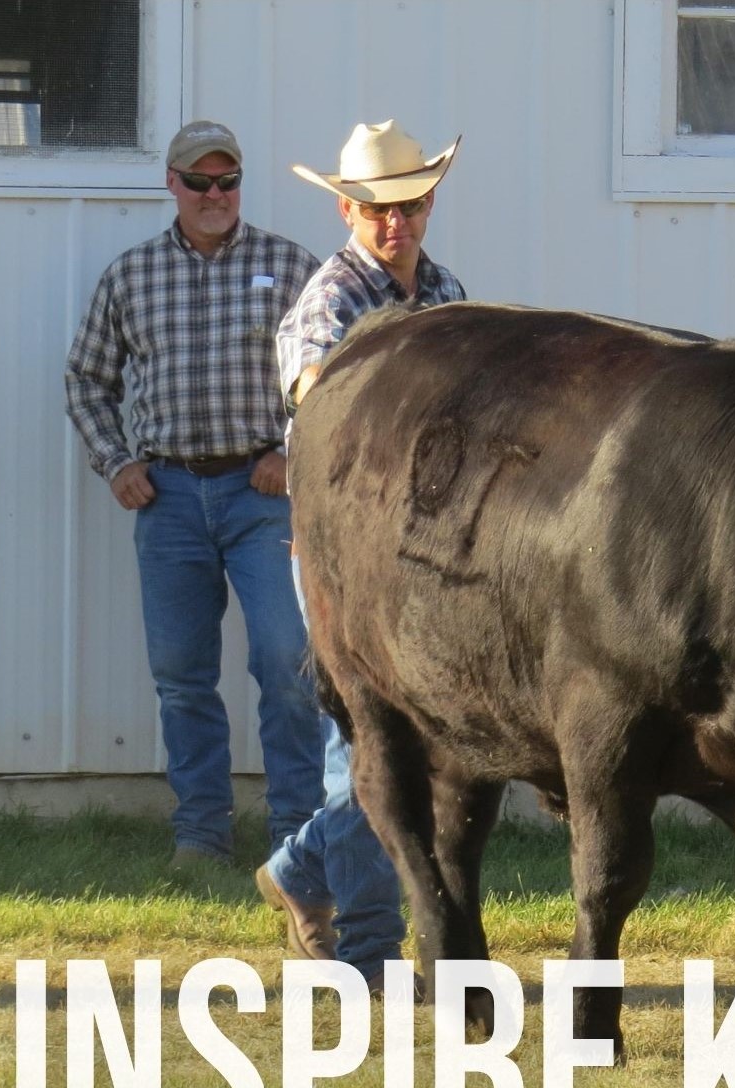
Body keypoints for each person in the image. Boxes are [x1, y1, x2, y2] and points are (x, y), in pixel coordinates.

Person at [65, 120, 324, 871]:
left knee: (287, 660)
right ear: (171, 184)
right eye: (200, 182)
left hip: (262, 495)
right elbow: (86, 379)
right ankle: (202, 834)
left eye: (228, 181)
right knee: (181, 671)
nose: (216, 195)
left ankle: (296, 834)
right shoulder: (131, 275)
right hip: (168, 496)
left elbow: (334, 376)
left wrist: (288, 450)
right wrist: (116, 462)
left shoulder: (292, 267)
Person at [254, 120, 466, 984]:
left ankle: (302, 871)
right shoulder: (330, 301)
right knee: (368, 741)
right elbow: (318, 402)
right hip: (344, 554)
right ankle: (367, 944)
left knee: (404, 740)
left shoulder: (448, 291)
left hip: (422, 549)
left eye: (409, 206)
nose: (395, 224)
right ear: (346, 209)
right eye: (377, 210)